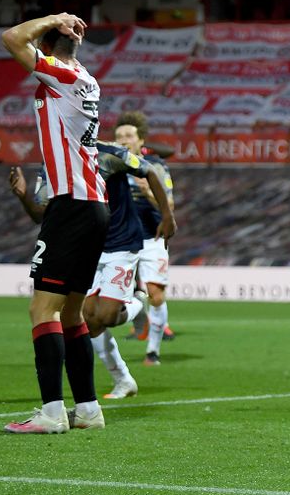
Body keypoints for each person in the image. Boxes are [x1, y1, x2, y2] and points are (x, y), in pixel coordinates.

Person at [0, 13, 110, 433]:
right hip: (94, 203)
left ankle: (51, 412)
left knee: (41, 307)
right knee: (72, 313)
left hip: (72, 205)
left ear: (43, 49)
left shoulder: (61, 73)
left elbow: (11, 37)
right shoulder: (86, 77)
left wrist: (54, 19)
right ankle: (88, 409)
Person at [9, 141, 175, 400]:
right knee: (89, 320)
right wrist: (23, 197)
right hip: (89, 246)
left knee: (107, 316)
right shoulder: (49, 168)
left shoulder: (108, 154)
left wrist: (167, 216)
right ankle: (123, 379)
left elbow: (149, 171)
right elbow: (39, 214)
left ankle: (137, 306)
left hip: (121, 244)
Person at [114, 111, 177, 364]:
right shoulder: (109, 165)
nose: (124, 140)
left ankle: (153, 351)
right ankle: (138, 310)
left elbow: (169, 205)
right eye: (119, 136)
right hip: (120, 239)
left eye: (129, 135)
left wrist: (150, 192)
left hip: (152, 237)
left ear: (141, 142)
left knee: (157, 295)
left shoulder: (157, 167)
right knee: (114, 300)